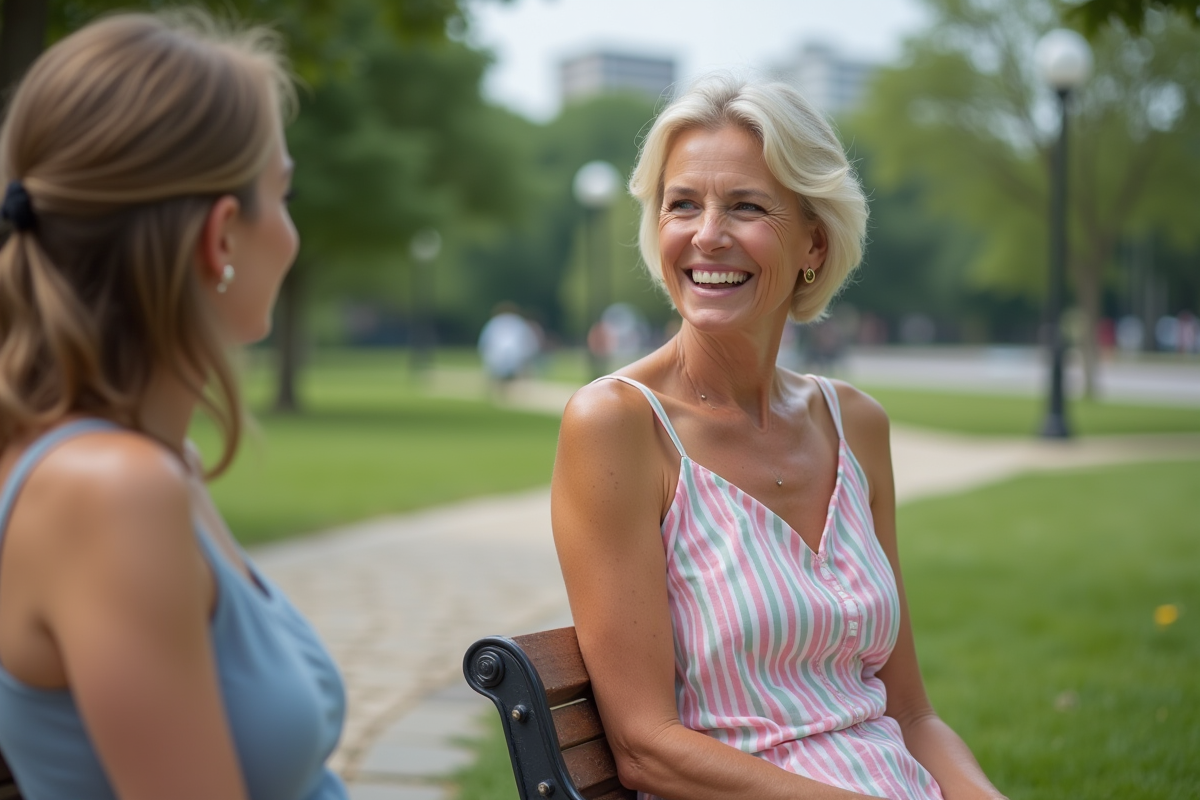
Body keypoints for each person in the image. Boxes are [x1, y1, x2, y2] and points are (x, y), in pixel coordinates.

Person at [551, 75, 1007, 800]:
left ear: (814, 244)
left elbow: (912, 712)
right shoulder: (618, 424)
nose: (706, 235)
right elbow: (647, 747)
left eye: (746, 207)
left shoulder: (855, 422)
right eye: (682, 205)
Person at [0, 12, 346, 800]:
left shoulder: (152, 462)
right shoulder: (111, 491)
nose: (291, 232)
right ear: (223, 237)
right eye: (282, 193)